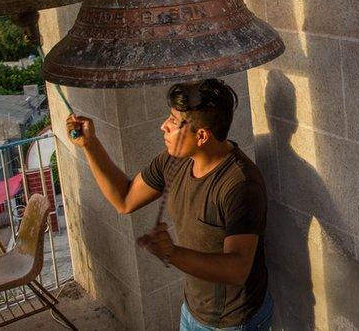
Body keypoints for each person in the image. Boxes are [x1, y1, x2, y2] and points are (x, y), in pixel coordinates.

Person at [66, 78, 273, 330]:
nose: (163, 126)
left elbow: (237, 268)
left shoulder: (239, 184)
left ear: (201, 136)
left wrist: (172, 253)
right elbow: (125, 199)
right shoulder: (174, 161)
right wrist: (90, 145)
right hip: (193, 309)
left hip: (232, 322)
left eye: (174, 121)